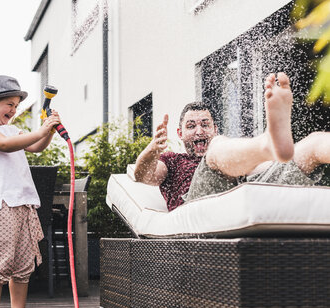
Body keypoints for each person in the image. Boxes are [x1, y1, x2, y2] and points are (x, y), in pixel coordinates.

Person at [135, 72, 330, 210]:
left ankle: (271, 145)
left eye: (205, 124)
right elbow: (143, 176)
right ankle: (267, 143)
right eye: (191, 126)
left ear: (215, 128)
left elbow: (258, 169)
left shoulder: (232, 155)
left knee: (312, 144)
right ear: (179, 133)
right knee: (216, 148)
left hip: (243, 191)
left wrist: (286, 162)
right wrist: (152, 150)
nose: (199, 131)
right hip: (198, 207)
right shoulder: (172, 161)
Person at [0, 75, 60, 308]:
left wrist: (48, 130)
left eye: (16, 105)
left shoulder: (13, 130)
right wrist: (40, 129)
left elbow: (37, 147)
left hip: (23, 203)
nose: (14, 109)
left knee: (23, 264)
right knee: (0, 262)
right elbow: (6, 145)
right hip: (0, 205)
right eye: (9, 104)